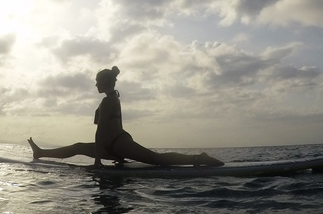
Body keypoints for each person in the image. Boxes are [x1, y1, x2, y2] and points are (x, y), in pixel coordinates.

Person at [28, 66, 224, 167]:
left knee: (156, 159)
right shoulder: (114, 97)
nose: (95, 85)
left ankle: (199, 158)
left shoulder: (108, 101)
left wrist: (97, 160)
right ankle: (41, 153)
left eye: (97, 82)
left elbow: (101, 130)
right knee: (78, 147)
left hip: (117, 144)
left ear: (104, 83)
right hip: (115, 144)